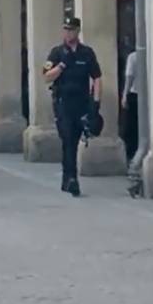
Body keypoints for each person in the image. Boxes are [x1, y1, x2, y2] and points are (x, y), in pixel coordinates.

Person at [43, 17, 102, 197]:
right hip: (63, 102)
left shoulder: (87, 53)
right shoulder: (57, 52)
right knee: (68, 139)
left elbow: (97, 77)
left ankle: (68, 177)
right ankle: (71, 179)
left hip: (82, 102)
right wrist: (61, 65)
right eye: (66, 30)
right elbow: (46, 77)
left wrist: (96, 103)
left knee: (75, 140)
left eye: (72, 30)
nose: (68, 33)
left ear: (78, 31)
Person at [121, 50, 138, 162]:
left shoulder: (133, 57)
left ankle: (131, 156)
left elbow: (129, 77)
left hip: (134, 94)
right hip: (148, 95)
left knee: (131, 127)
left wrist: (124, 95)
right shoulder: (151, 55)